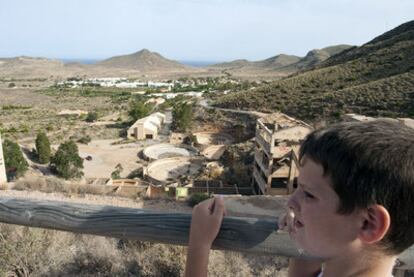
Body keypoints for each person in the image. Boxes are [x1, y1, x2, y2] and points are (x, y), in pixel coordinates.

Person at [185, 120, 414, 277]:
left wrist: (199, 244)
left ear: (369, 223)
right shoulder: (339, 266)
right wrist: (303, 222)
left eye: (309, 194)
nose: (290, 202)